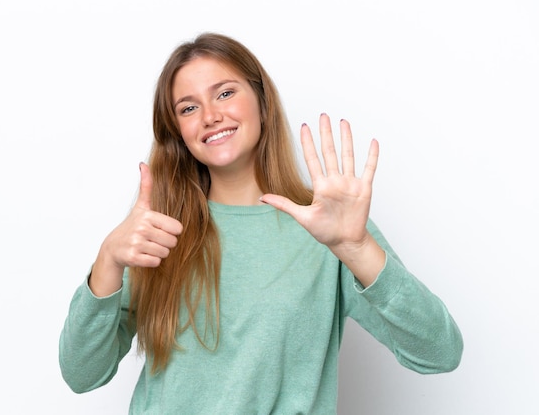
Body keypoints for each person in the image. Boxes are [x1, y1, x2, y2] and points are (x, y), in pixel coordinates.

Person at [59, 32, 463, 414]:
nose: (210, 116)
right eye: (188, 107)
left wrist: (357, 249)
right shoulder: (157, 232)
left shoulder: (329, 228)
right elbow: (82, 375)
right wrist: (108, 261)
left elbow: (439, 353)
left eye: (225, 93)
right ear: (178, 133)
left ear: (263, 103)